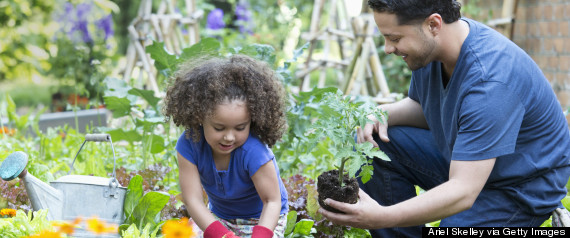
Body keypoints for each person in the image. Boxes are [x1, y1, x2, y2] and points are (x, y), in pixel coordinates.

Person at [319, 0, 570, 237]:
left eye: (395, 38)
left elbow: (463, 191)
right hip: (466, 161)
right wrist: (381, 113)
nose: (388, 49)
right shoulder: (432, 51)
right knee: (375, 139)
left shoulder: (489, 80)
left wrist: (381, 216)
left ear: (433, 24)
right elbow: (426, 107)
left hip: (516, 188)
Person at [163, 55, 289, 238]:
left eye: (240, 128)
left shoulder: (254, 152)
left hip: (262, 220)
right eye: (219, 128)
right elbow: (193, 200)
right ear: (200, 118)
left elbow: (272, 202)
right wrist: (223, 235)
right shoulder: (189, 145)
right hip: (219, 217)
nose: (229, 137)